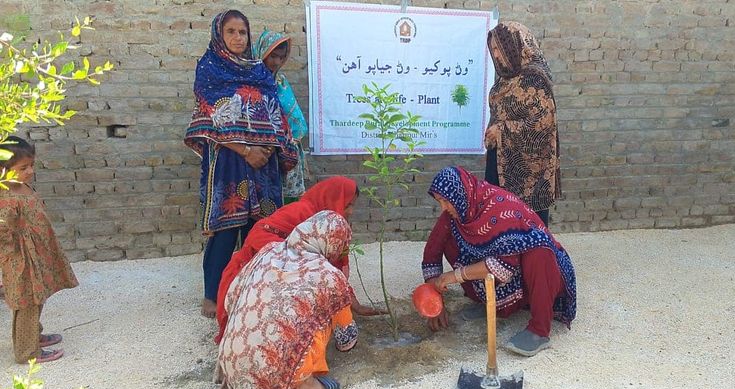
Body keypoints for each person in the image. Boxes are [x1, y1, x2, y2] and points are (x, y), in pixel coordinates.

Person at [184, 10, 298, 318]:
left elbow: (276, 115)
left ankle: (253, 288)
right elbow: (208, 117)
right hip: (229, 161)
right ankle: (212, 294)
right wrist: (245, 150)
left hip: (264, 162)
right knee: (226, 227)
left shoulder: (259, 72)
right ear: (219, 35)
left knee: (260, 227)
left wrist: (267, 149)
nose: (237, 37)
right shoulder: (209, 68)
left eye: (242, 32)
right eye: (231, 31)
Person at [421, 166, 576, 357]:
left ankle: (539, 330)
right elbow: (431, 253)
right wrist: (433, 302)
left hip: (540, 273)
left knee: (538, 250)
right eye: (439, 202)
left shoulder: (500, 208)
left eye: (446, 201)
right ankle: (490, 304)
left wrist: (454, 276)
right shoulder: (459, 213)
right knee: (451, 240)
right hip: (505, 268)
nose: (443, 208)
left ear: (460, 195)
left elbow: (502, 268)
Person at [215, 176, 383, 344]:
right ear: (333, 198)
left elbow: (335, 267)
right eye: (348, 205)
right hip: (255, 274)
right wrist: (298, 259)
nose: (351, 212)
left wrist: (352, 302)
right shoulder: (302, 212)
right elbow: (257, 235)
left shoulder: (331, 226)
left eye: (353, 205)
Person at [216, 210, 357, 389]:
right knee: (326, 311)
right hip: (270, 378)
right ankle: (304, 385)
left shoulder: (268, 251)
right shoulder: (327, 275)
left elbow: (232, 297)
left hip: (232, 364)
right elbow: (345, 338)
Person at [0, 136, 78, 363]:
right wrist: (11, 259)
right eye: (23, 167)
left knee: (38, 297)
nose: (30, 171)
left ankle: (33, 334)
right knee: (27, 302)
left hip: (37, 255)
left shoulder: (20, 186)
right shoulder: (6, 196)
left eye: (32, 165)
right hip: (21, 259)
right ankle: (27, 352)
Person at [483, 22, 560, 227]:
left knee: (527, 225)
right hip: (499, 159)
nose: (496, 55)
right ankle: (502, 258)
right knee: (498, 216)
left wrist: (501, 130)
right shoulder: (504, 78)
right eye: (493, 49)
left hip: (528, 170)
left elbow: (543, 124)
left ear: (514, 45)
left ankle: (531, 258)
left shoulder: (535, 78)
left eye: (499, 48)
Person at [252, 28, 311, 205]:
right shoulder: (251, 84)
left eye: (281, 57)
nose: (276, 62)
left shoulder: (281, 82)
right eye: (273, 56)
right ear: (262, 53)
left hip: (285, 154)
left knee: (286, 211)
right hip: (261, 154)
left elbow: (295, 120)